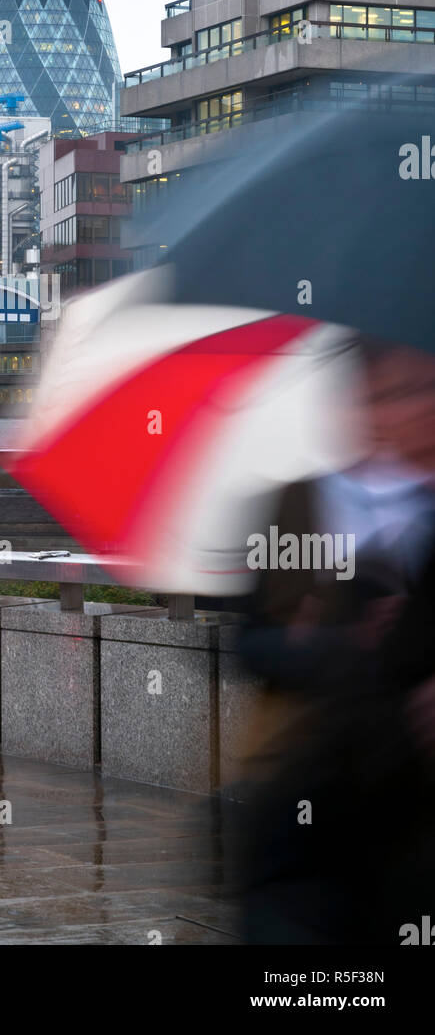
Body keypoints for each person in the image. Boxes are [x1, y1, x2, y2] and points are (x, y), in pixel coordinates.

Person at [235, 338, 435, 943]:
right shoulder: (299, 504)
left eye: (424, 390)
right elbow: (249, 644)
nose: (415, 409)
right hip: (314, 802)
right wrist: (335, 641)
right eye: (394, 393)